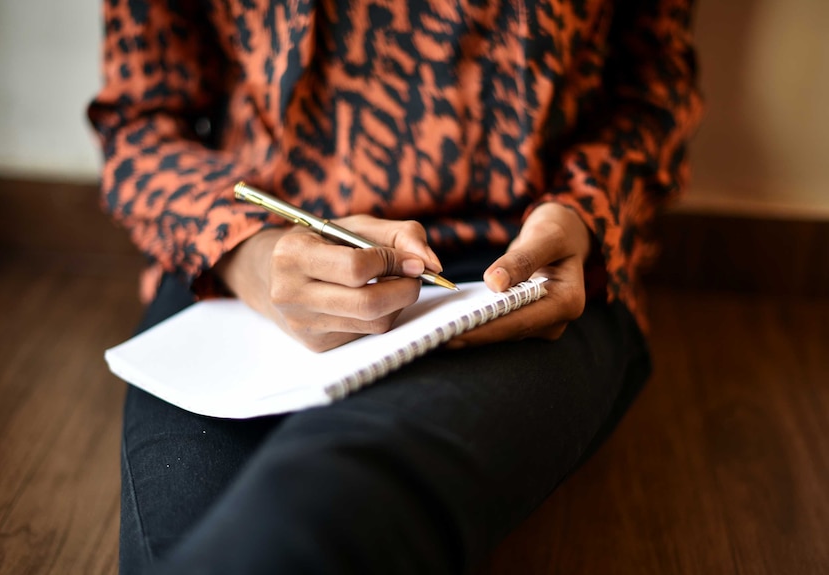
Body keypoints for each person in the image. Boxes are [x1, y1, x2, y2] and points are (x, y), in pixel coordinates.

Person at [87, 0, 702, 573]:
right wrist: (247, 251)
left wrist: (583, 211)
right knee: (181, 545)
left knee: (323, 508)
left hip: (517, 255)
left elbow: (652, 90)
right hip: (244, 251)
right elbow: (139, 121)